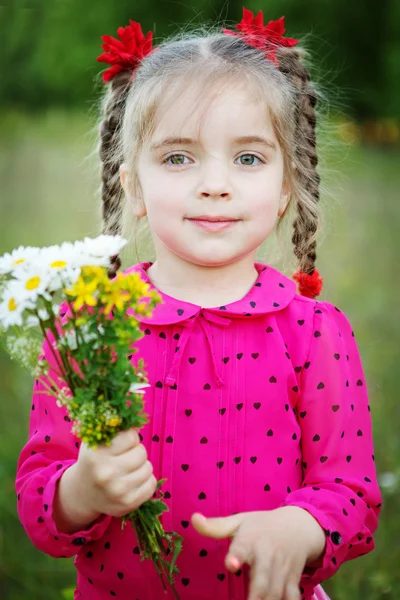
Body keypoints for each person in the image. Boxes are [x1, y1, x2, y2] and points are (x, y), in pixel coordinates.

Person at [15, 7, 382, 600]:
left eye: (248, 158)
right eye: (179, 157)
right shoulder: (90, 329)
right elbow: (39, 497)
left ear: (287, 185)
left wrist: (302, 525)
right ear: (133, 184)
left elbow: (351, 491)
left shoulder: (314, 330)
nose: (215, 183)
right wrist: (81, 490)